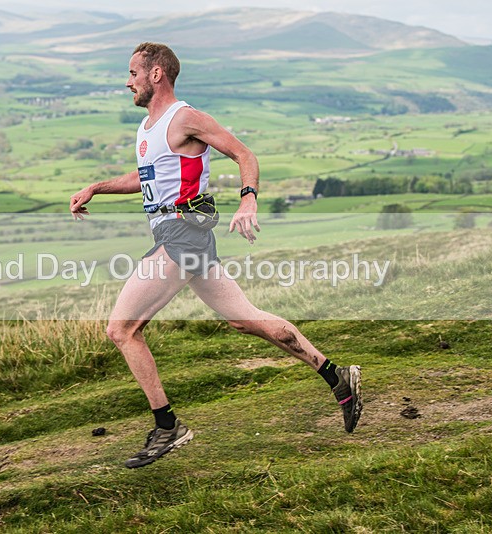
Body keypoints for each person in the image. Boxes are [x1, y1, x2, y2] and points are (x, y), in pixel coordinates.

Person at [69, 42, 362, 469]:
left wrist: (248, 201)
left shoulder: (185, 117)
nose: (127, 80)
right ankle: (337, 376)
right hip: (182, 235)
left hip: (182, 234)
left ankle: (168, 426)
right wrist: (96, 187)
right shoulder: (148, 128)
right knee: (244, 319)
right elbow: (145, 177)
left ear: (157, 75)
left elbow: (244, 154)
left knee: (121, 329)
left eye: (133, 72)